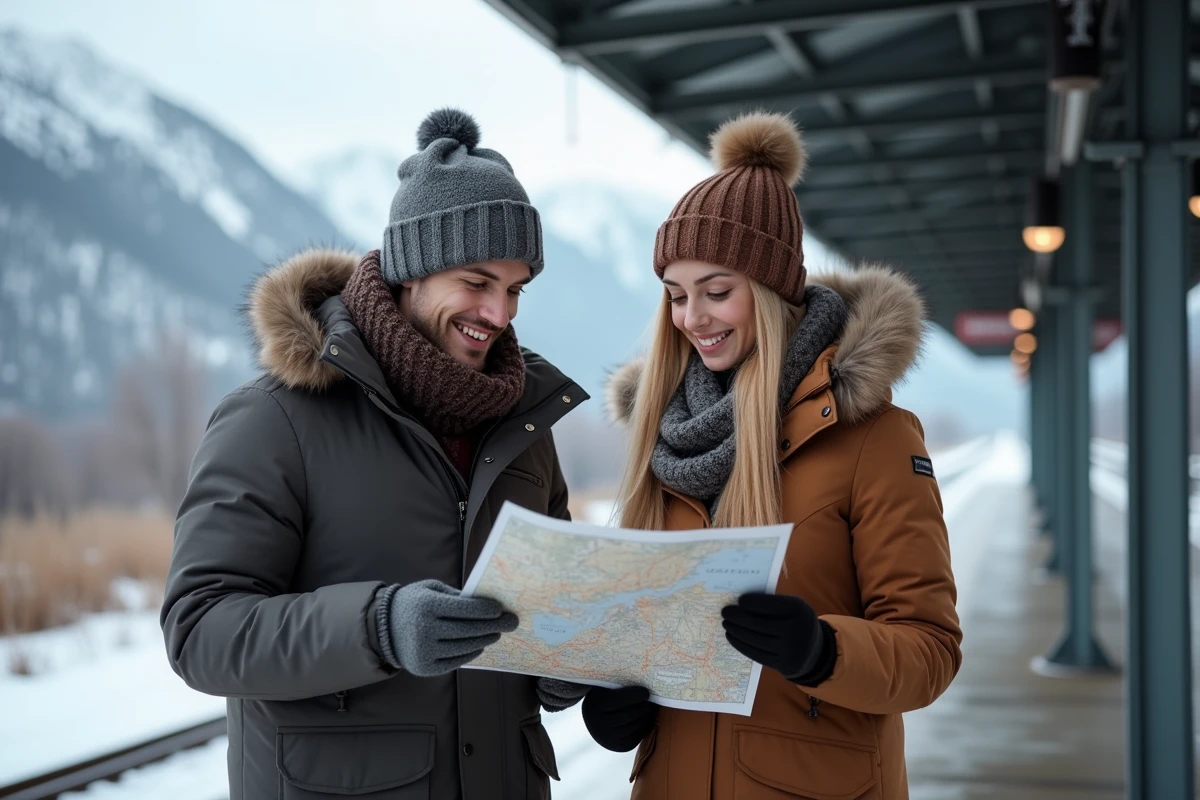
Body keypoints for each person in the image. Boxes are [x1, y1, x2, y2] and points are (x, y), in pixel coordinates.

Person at [161, 108, 589, 800]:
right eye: (477, 283)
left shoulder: (524, 427)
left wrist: (562, 661)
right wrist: (379, 627)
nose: (499, 314)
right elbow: (201, 630)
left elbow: (544, 610)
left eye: (514, 290)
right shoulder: (274, 420)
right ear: (410, 273)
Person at [583, 110, 963, 800]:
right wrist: (617, 707)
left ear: (772, 292)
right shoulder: (662, 439)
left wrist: (823, 650)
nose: (692, 318)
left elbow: (929, 651)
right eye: (676, 295)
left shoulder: (873, 438)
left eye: (717, 292)